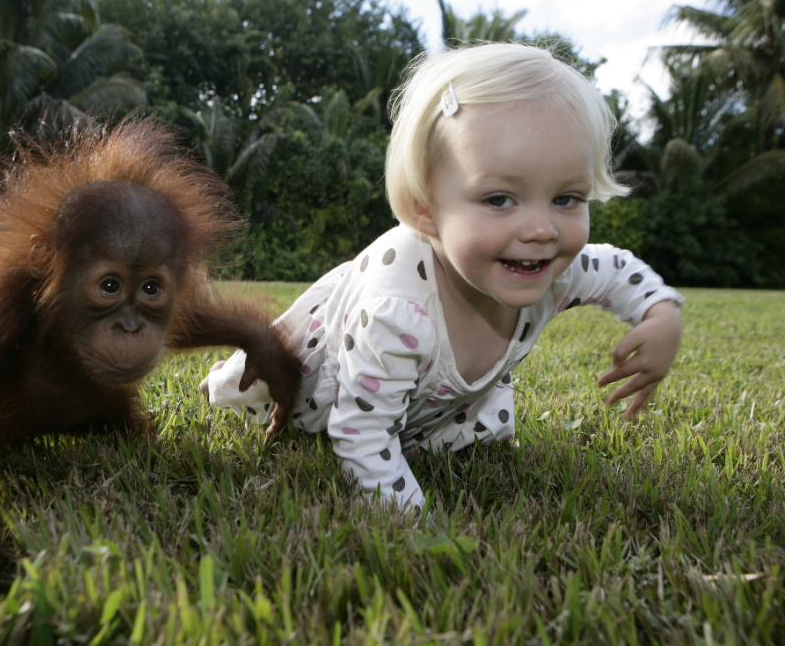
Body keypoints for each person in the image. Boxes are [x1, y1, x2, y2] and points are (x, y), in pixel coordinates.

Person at [202, 43, 684, 512]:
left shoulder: (552, 269)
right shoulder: (396, 314)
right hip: (327, 394)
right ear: (425, 211)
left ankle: (430, 429)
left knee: (436, 424)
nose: (542, 230)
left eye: (567, 198)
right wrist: (414, 525)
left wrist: (660, 315)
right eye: (499, 199)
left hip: (436, 401)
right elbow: (361, 434)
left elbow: (617, 269)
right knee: (344, 413)